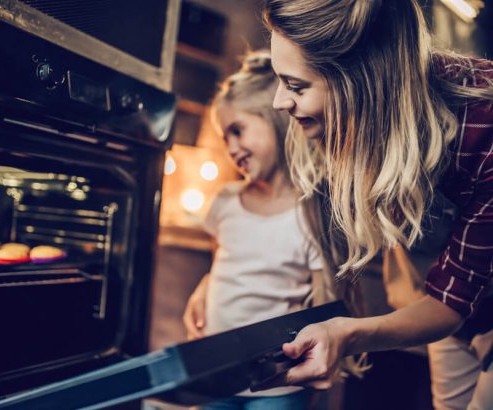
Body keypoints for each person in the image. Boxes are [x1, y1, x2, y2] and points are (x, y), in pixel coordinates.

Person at [258, 0, 493, 408]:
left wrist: (348, 334)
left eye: (296, 86)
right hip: (462, 299)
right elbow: (452, 295)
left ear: (363, 84)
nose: (280, 102)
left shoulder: (484, 128)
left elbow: (450, 303)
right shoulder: (380, 113)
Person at [182, 49, 328, 410]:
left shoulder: (310, 214)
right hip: (217, 374)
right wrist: (204, 287)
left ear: (275, 120)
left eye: (237, 130)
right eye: (224, 137)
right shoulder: (226, 202)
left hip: (278, 384)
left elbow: (324, 301)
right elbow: (222, 264)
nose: (231, 148)